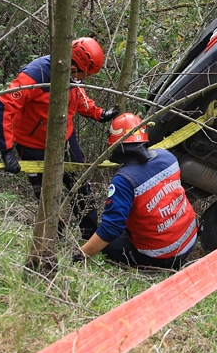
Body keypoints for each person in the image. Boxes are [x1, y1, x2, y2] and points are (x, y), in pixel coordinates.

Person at [0, 38, 119, 240]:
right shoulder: (36, 74)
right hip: (33, 146)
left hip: (66, 141)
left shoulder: (73, 76)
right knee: (45, 196)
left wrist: (99, 114)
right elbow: (2, 106)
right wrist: (6, 151)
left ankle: (90, 237)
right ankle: (54, 237)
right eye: (85, 74)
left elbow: (78, 94)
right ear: (74, 64)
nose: (86, 78)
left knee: (81, 187)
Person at [70, 112, 198, 269]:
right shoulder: (167, 157)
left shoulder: (124, 180)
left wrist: (80, 254)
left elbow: (111, 229)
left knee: (108, 246)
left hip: (163, 255)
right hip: (190, 237)